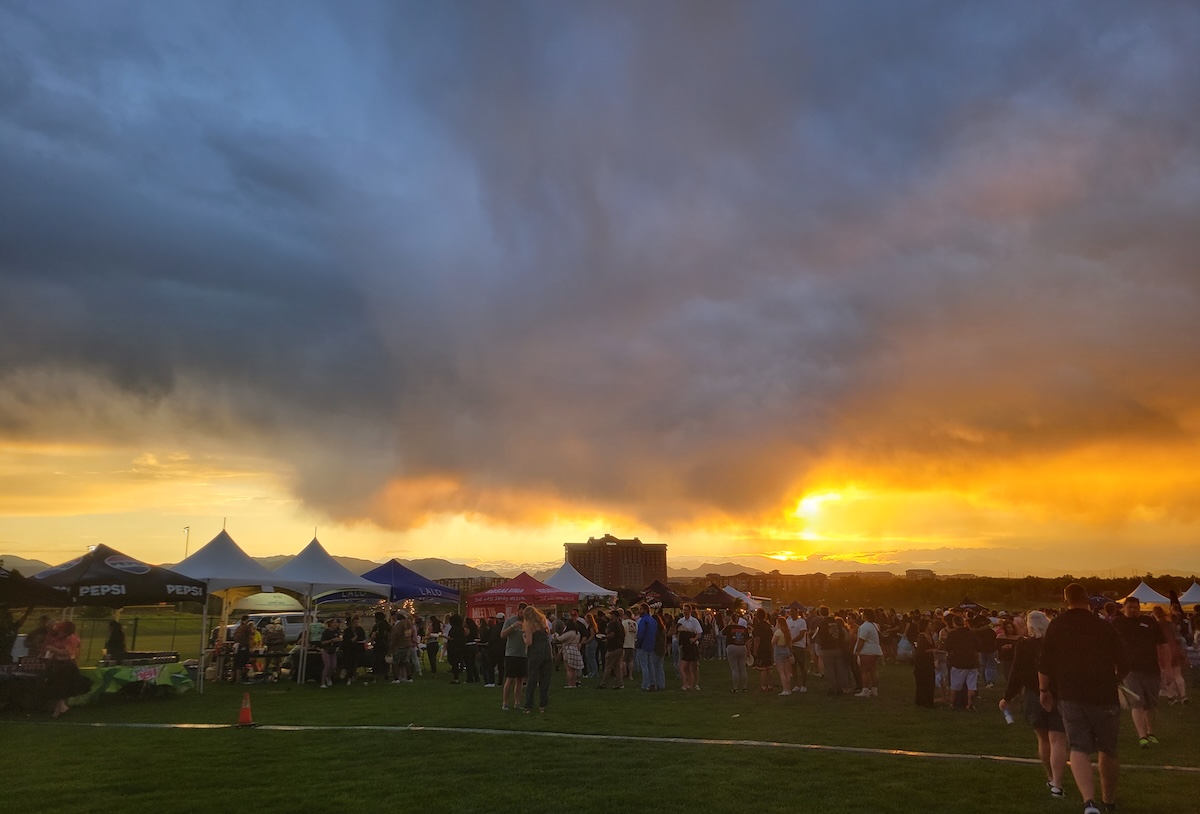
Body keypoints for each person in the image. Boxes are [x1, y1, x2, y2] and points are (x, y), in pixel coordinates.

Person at [1039, 583, 1129, 814]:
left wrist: (1044, 690)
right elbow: (1124, 661)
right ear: (1087, 599)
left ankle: (1089, 801)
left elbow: (1045, 663)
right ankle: (1108, 799)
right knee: (1107, 749)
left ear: (1065, 599)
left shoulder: (1057, 625)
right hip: (1104, 694)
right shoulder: (1102, 625)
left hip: (1070, 694)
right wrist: (1116, 678)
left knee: (1078, 747)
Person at [1000, 611, 1067, 799]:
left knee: (1044, 739)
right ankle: (1057, 783)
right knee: (1058, 740)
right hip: (1058, 694)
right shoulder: (1058, 645)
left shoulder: (1024, 645)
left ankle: (1051, 776)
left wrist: (1008, 697)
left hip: (1033, 695)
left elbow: (1016, 673)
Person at [1110, 597, 1165, 747]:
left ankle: (1150, 732)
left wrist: (1166, 665)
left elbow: (1162, 643)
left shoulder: (1149, 622)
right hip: (1129, 670)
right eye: (1130, 607)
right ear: (1124, 608)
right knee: (1137, 702)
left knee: (1151, 703)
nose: (1133, 610)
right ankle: (1142, 736)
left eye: (1135, 607)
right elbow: (1109, 645)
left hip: (1151, 668)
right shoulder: (1117, 623)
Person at [42, 621, 88, 718]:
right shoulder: (61, 638)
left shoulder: (72, 638)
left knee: (60, 687)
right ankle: (60, 708)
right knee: (58, 688)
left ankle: (59, 710)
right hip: (59, 664)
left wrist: (53, 649)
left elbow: (68, 653)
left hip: (67, 666)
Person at [1150, 605, 1188, 706]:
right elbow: (1177, 637)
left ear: (1154, 614)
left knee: (1166, 674)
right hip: (1174, 649)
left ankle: (1172, 696)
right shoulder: (1171, 624)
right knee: (1178, 674)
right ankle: (1183, 695)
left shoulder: (1155, 626)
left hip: (1162, 651)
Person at [944, 615, 979, 710]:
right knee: (971, 686)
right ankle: (970, 704)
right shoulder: (972, 633)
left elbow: (947, 647)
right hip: (972, 662)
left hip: (958, 662)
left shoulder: (953, 634)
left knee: (955, 685)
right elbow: (978, 647)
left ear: (954, 623)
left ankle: (952, 704)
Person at [522, 606, 552, 713]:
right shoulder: (543, 622)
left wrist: (524, 637)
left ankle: (528, 706)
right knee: (545, 680)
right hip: (547, 651)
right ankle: (543, 706)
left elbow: (529, 642)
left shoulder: (529, 625)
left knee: (532, 679)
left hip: (535, 652)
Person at [500, 604, 528, 710]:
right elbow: (502, 635)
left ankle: (517, 703)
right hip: (511, 654)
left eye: (525, 613)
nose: (523, 615)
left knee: (520, 679)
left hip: (523, 654)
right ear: (518, 611)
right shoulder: (511, 620)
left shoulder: (528, 621)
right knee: (510, 679)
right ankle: (505, 703)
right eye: (521, 612)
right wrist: (512, 627)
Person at [853, 608, 883, 698]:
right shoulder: (875, 625)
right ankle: (874, 690)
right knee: (874, 671)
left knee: (864, 671)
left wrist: (857, 650)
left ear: (865, 615)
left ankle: (865, 690)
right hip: (875, 650)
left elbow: (862, 640)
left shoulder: (864, 627)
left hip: (867, 651)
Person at [676, 604, 703, 691]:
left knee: (694, 667)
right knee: (686, 667)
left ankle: (696, 684)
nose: (685, 612)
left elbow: (699, 633)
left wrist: (694, 639)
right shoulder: (681, 621)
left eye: (686, 610)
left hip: (693, 646)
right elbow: (677, 632)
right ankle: (688, 684)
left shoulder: (694, 621)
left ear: (690, 611)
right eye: (683, 610)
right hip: (684, 646)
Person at [597, 608, 625, 689]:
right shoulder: (620, 624)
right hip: (620, 647)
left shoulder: (613, 624)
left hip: (613, 648)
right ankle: (619, 683)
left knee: (608, 666)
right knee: (617, 667)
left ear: (615, 616)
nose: (610, 616)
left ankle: (604, 683)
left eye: (611, 615)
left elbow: (611, 634)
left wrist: (605, 637)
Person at [913, 618, 937, 708]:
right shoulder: (921, 637)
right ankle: (922, 701)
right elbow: (920, 651)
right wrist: (932, 650)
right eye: (930, 624)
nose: (932, 626)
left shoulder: (930, 635)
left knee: (930, 681)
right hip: (921, 662)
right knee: (922, 681)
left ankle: (929, 701)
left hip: (929, 662)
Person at [723, 614, 750, 692]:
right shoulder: (743, 628)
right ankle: (744, 687)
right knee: (743, 669)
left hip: (732, 647)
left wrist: (728, 624)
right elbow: (747, 640)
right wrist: (748, 651)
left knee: (734, 668)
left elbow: (723, 633)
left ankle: (735, 688)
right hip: (742, 647)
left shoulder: (729, 628)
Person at [749, 609, 774, 692]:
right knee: (769, 668)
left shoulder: (758, 626)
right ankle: (770, 685)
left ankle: (764, 686)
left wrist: (755, 651)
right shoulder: (769, 625)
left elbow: (757, 639)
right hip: (768, 648)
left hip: (761, 649)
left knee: (762, 669)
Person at [635, 604, 658, 691]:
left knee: (644, 666)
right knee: (650, 665)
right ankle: (652, 683)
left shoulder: (643, 620)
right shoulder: (653, 620)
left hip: (643, 644)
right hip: (651, 644)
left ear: (645, 610)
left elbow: (641, 633)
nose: (639, 611)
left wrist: (638, 642)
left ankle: (645, 684)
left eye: (640, 609)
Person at [786, 606, 809, 692]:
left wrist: (792, 640)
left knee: (802, 665)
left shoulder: (802, 622)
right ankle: (796, 685)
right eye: (790, 612)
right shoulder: (788, 622)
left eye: (793, 612)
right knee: (793, 666)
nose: (792, 613)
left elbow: (802, 634)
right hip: (791, 647)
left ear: (797, 612)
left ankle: (803, 685)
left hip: (799, 646)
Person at [555, 619, 583, 688]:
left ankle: (570, 684)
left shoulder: (569, 633)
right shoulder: (577, 633)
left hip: (568, 650)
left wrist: (556, 634)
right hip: (575, 650)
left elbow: (560, 639)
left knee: (569, 669)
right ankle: (574, 683)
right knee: (573, 669)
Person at [772, 615, 793, 696]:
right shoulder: (787, 632)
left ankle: (785, 689)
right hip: (786, 650)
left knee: (781, 672)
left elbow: (773, 642)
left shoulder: (778, 632)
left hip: (779, 650)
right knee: (788, 672)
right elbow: (790, 643)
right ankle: (789, 689)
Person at [369, 611, 391, 685]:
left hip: (378, 645)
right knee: (385, 661)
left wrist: (372, 641)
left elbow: (373, 635)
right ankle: (385, 675)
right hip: (386, 646)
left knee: (376, 661)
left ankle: (376, 677)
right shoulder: (387, 625)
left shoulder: (378, 625)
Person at [341, 615, 364, 685]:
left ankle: (351, 676)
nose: (356, 624)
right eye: (354, 622)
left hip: (357, 648)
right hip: (348, 649)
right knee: (349, 662)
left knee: (354, 663)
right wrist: (354, 638)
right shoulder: (347, 631)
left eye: (357, 622)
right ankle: (348, 676)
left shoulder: (360, 629)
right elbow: (346, 641)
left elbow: (362, 638)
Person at [318, 618, 341, 688]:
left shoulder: (336, 632)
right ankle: (322, 682)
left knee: (333, 666)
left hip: (333, 650)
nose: (335, 624)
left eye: (336, 623)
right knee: (327, 665)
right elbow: (322, 642)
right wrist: (331, 640)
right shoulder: (326, 632)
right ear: (330, 623)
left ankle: (329, 677)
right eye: (334, 622)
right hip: (326, 650)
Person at [232, 615, 255, 682]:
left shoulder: (238, 627)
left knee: (235, 663)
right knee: (241, 662)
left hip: (236, 646)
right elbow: (250, 637)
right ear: (246, 620)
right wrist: (250, 648)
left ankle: (232, 678)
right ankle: (238, 679)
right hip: (243, 646)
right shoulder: (247, 628)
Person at [445, 614, 467, 684]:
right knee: (456, 662)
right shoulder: (461, 628)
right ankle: (456, 676)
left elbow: (452, 638)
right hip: (459, 647)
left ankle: (456, 678)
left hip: (453, 647)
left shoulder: (454, 629)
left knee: (454, 662)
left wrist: (443, 636)